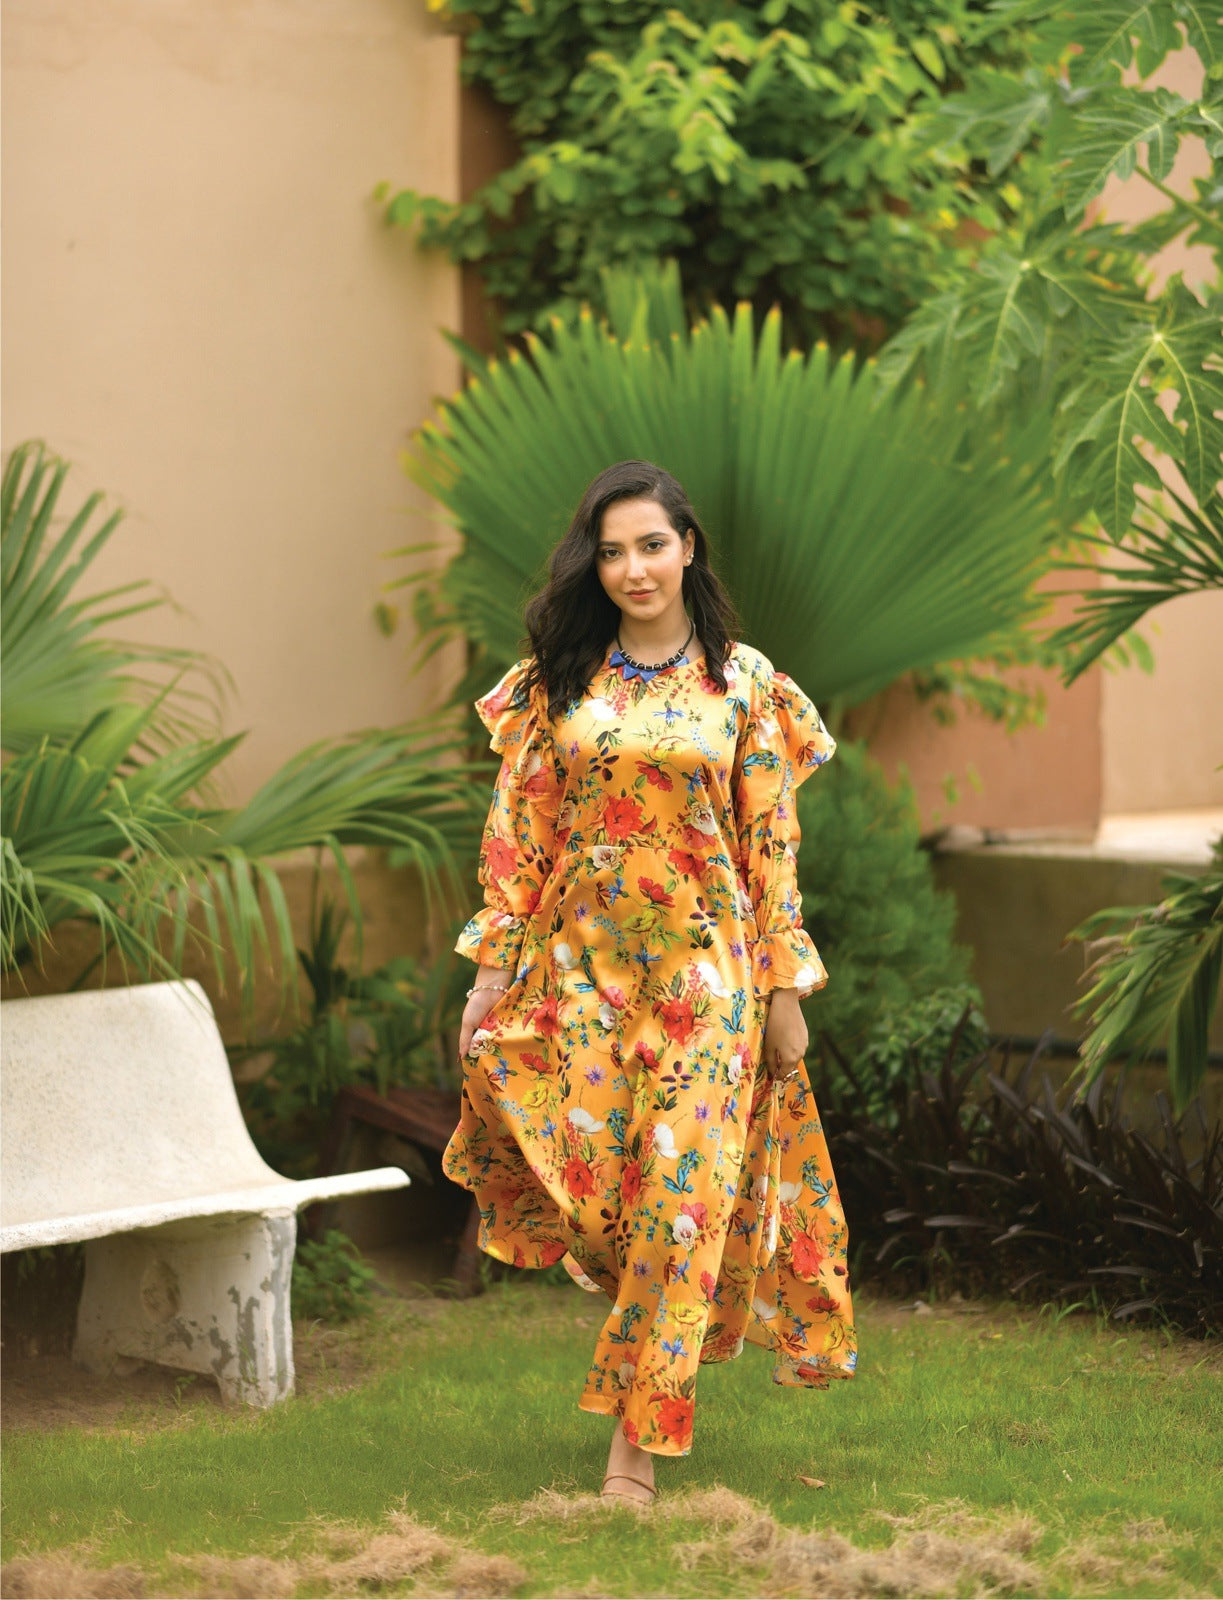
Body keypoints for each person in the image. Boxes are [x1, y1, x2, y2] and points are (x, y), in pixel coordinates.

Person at [444, 460, 857, 1505]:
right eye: (612, 551)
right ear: (593, 564)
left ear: (688, 549)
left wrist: (783, 991)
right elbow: (518, 837)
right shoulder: (555, 682)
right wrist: (489, 977)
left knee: (679, 1207)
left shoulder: (744, 685)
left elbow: (771, 849)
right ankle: (649, 1327)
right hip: (578, 974)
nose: (634, 569)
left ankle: (635, 1444)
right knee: (602, 1202)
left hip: (707, 982)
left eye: (652, 545)